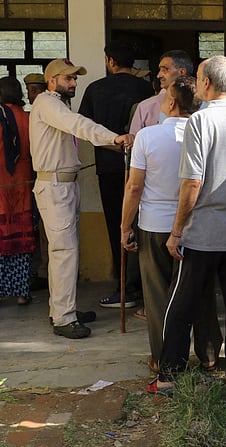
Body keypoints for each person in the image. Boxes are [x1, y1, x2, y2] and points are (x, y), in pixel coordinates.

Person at [148, 55, 226, 396]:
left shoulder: (199, 121)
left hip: (202, 233)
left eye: (198, 77)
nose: (196, 83)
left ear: (207, 83)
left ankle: (168, 375)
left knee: (180, 305)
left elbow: (192, 183)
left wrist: (177, 230)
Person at [119, 76, 222, 374]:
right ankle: (209, 353)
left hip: (155, 225)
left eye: (165, 97)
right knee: (201, 291)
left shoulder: (148, 137)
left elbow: (134, 188)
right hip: (196, 224)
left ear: (172, 103)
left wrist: (126, 226)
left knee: (158, 295)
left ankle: (163, 357)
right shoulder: (206, 134)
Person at [30, 58, 132, 339]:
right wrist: (115, 138)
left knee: (64, 253)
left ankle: (64, 310)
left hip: (63, 186)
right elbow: (80, 125)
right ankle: (63, 318)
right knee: (64, 253)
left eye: (75, 78)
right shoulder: (48, 103)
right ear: (52, 81)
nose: (74, 83)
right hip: (55, 187)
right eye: (68, 78)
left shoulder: (58, 105)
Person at [78, 43, 153, 309]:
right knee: (145, 226)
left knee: (117, 226)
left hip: (110, 168)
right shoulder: (147, 90)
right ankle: (147, 286)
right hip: (143, 169)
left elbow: (84, 129)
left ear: (110, 61)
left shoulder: (95, 89)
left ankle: (125, 288)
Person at [0, 77, 34, 306]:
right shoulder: (28, 118)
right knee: (23, 238)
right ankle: (22, 293)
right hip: (22, 185)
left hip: (0, 187)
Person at [130, 50, 194, 135]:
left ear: (182, 72)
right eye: (160, 70)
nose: (159, 75)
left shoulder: (205, 105)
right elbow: (134, 142)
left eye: (165, 70)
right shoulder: (146, 107)